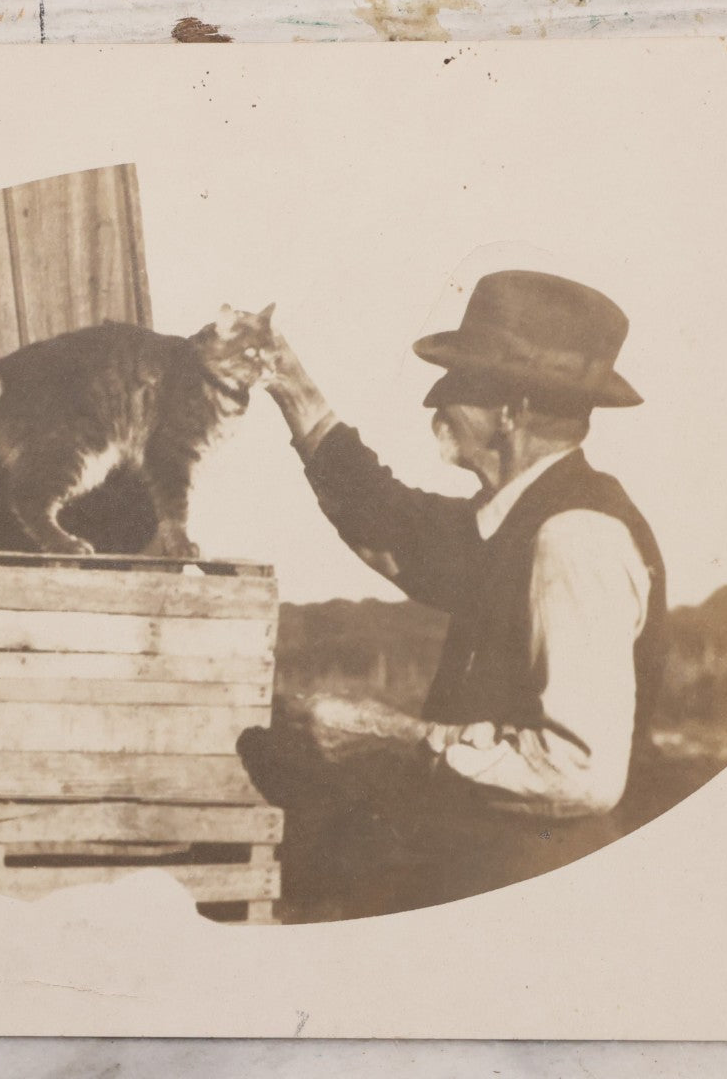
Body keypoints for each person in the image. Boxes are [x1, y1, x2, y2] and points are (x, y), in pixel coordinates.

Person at [255, 269, 668, 916]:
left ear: (513, 411)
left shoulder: (574, 538)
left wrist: (386, 735)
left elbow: (577, 773)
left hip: (541, 901)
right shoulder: (516, 523)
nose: (435, 402)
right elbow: (388, 524)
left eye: (459, 381)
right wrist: (291, 384)